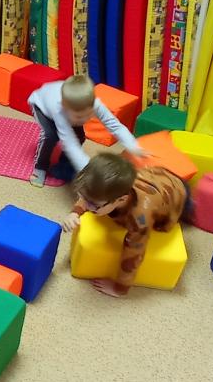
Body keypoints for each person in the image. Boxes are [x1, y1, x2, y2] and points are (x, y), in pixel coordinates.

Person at [61, 153, 187, 297]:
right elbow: (87, 196)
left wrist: (120, 288)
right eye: (82, 197)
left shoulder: (140, 218)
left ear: (121, 200)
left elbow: (133, 256)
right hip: (155, 174)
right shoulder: (106, 192)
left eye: (93, 204)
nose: (85, 204)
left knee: (166, 224)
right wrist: (75, 212)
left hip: (176, 193)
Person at [27, 75, 143, 187]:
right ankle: (40, 167)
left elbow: (115, 126)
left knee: (80, 136)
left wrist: (133, 146)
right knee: (50, 135)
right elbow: (69, 143)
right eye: (79, 117)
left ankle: (65, 164)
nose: (83, 120)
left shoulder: (95, 104)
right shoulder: (59, 110)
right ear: (65, 108)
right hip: (40, 105)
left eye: (88, 115)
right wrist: (88, 170)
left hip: (65, 108)